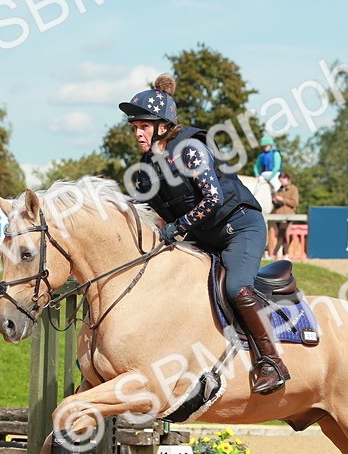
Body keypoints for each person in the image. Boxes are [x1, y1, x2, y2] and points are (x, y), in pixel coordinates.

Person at [119, 74, 289, 395]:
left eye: (143, 126)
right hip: (204, 238)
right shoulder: (147, 167)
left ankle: (271, 361)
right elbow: (139, 209)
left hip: (240, 228)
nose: (138, 132)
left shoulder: (190, 149)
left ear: (162, 125)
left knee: (238, 287)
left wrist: (175, 228)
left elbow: (212, 199)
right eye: (135, 127)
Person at [269, 172, 299, 258]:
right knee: (282, 235)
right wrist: (274, 200)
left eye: (282, 180)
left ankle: (274, 254)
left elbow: (295, 203)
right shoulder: (280, 189)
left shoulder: (293, 189)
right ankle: (286, 254)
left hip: (287, 215)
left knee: (281, 235)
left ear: (287, 179)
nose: (281, 183)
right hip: (278, 215)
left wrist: (282, 199)